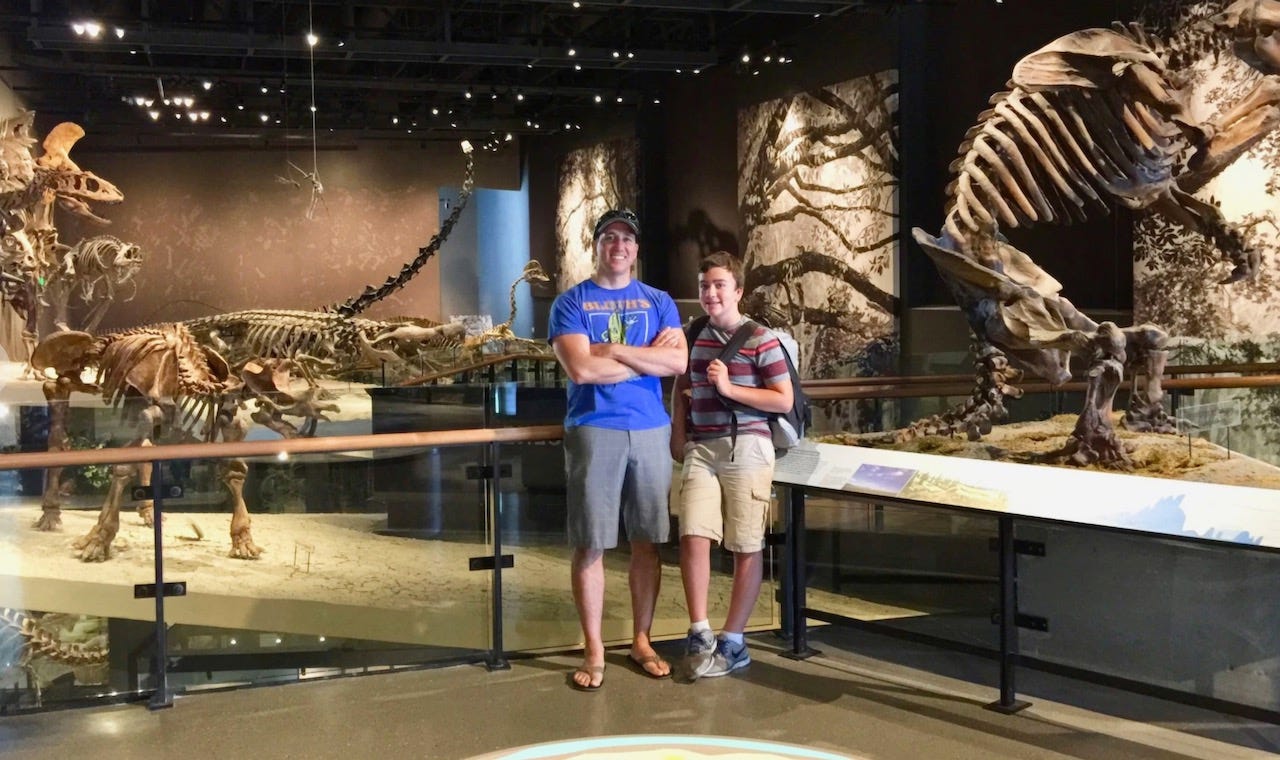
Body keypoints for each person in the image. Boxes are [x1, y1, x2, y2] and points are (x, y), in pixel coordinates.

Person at [548, 208, 688, 691]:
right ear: (598, 245)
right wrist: (646, 357)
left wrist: (614, 351)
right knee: (591, 543)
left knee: (647, 542)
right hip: (593, 429)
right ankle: (594, 648)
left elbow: (678, 362)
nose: (620, 246)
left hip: (651, 430)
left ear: (637, 248)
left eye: (628, 238)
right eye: (610, 237)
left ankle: (642, 640)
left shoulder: (660, 300)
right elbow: (582, 371)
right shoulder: (570, 303)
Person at [670, 251, 793, 679]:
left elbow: (783, 399)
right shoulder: (695, 333)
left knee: (745, 544)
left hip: (748, 448)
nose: (711, 293)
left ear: (738, 291)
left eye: (720, 285)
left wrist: (730, 388)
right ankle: (700, 630)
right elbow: (681, 383)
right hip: (702, 448)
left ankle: (735, 641)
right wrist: (678, 431)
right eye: (705, 285)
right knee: (693, 533)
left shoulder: (760, 339)